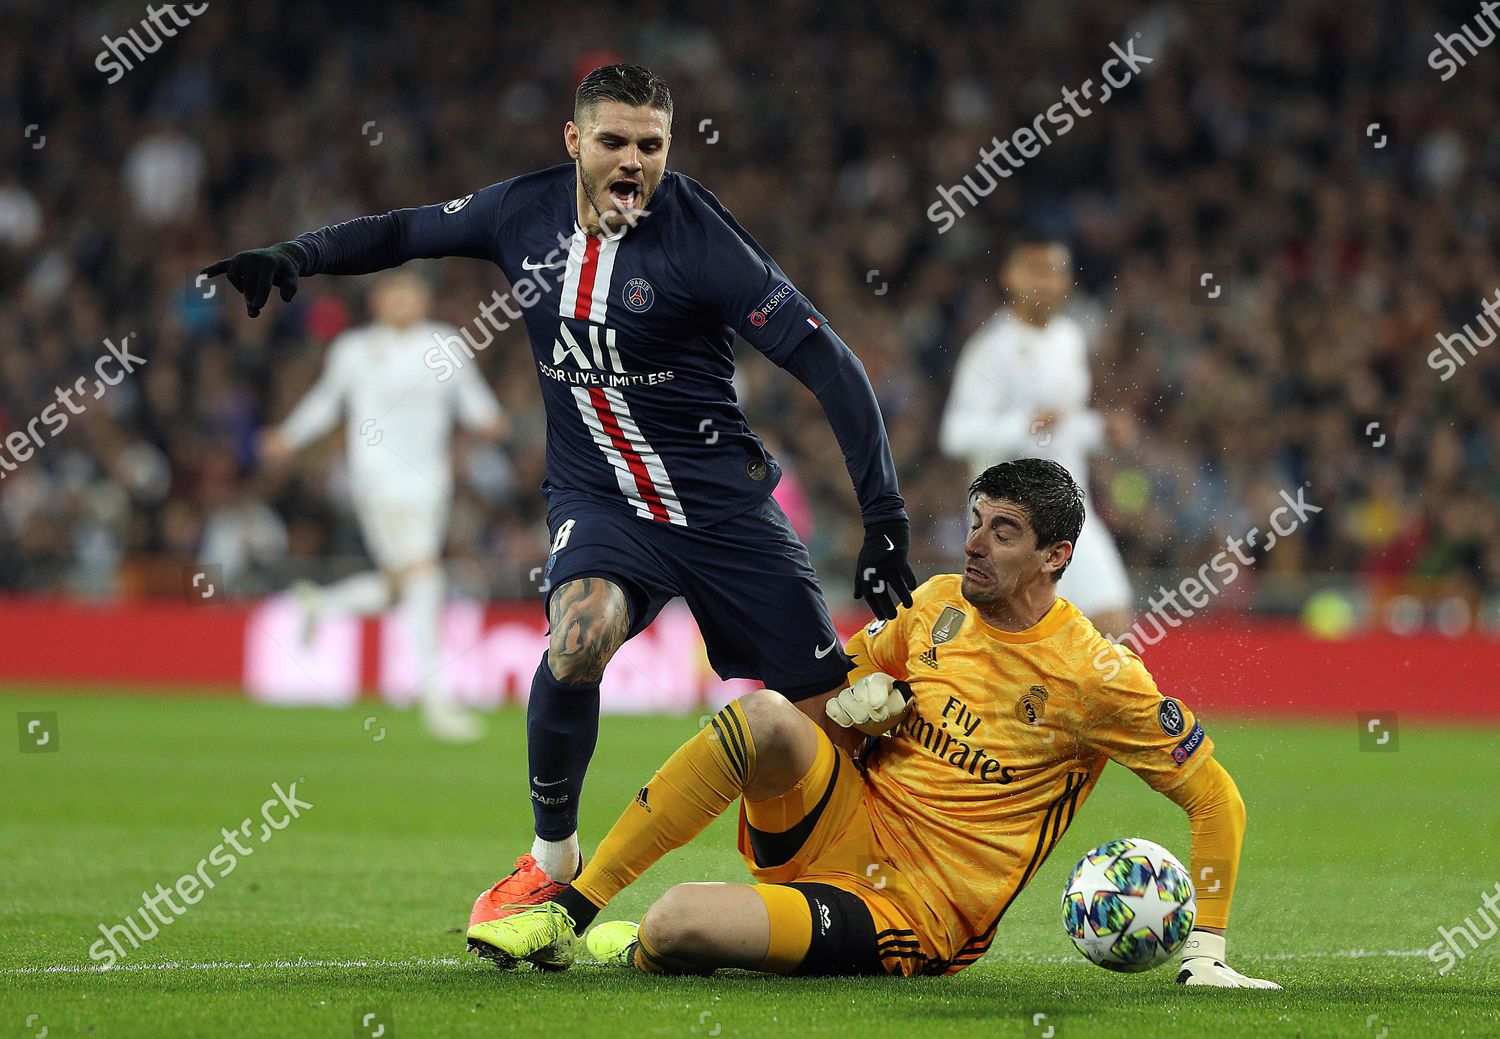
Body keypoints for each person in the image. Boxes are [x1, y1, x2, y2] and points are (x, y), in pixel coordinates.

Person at [201, 64, 917, 941]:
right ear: (575, 141)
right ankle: (553, 860)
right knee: (578, 638)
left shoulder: (702, 241)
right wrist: (296, 255)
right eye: (614, 141)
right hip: (599, 500)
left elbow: (829, 365)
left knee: (822, 720)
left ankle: (839, 887)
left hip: (720, 508)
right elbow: (405, 231)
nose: (633, 161)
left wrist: (883, 517)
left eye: (651, 145)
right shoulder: (520, 211)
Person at [467, 459, 1279, 989]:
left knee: (681, 920)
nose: (974, 544)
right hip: (843, 823)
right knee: (765, 714)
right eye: (975, 521)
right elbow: (838, 697)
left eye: (1004, 531)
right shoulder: (934, 607)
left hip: (917, 911)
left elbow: (1216, 800)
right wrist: (860, 711)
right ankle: (570, 906)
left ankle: (655, 942)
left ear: (1055, 555)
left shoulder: (1098, 676)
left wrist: (1205, 950)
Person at [258, 271, 506, 743]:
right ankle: (437, 702)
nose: (403, 300)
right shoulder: (353, 350)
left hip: (432, 484)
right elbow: (326, 402)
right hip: (379, 479)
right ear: (377, 301)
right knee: (426, 575)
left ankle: (323, 603)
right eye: (395, 293)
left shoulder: (446, 342)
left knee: (405, 585)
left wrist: (490, 421)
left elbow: (475, 405)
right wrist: (288, 438)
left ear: (424, 299)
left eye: (412, 292)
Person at [939, 233, 1133, 636]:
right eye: (1034, 271)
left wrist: (1100, 430)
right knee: (1011, 636)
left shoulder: (1068, 338)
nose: (1045, 282)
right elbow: (955, 434)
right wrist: (1021, 427)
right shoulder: (991, 348)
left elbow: (1063, 424)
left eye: (1055, 271)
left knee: (1111, 622)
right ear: (1010, 276)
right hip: (1009, 519)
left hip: (1071, 507)